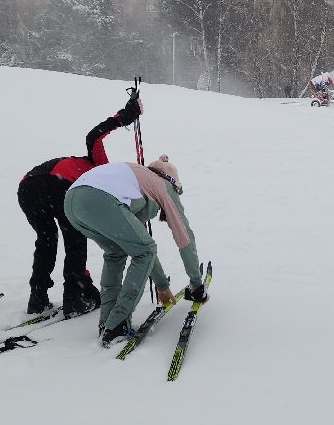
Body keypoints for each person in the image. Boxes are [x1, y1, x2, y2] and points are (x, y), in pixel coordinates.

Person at [16, 92, 142, 317]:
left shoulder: (104, 189)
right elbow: (94, 136)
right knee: (75, 238)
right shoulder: (102, 168)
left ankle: (38, 297)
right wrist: (123, 117)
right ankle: (75, 297)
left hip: (28, 186)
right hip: (58, 184)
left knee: (47, 240)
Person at [63, 154, 208, 347]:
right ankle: (117, 325)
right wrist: (196, 284)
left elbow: (141, 246)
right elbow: (184, 235)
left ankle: (107, 322)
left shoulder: (137, 179)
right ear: (172, 181)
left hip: (72, 201)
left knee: (116, 254)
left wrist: (162, 285)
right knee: (145, 251)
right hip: (101, 199)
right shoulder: (163, 185)